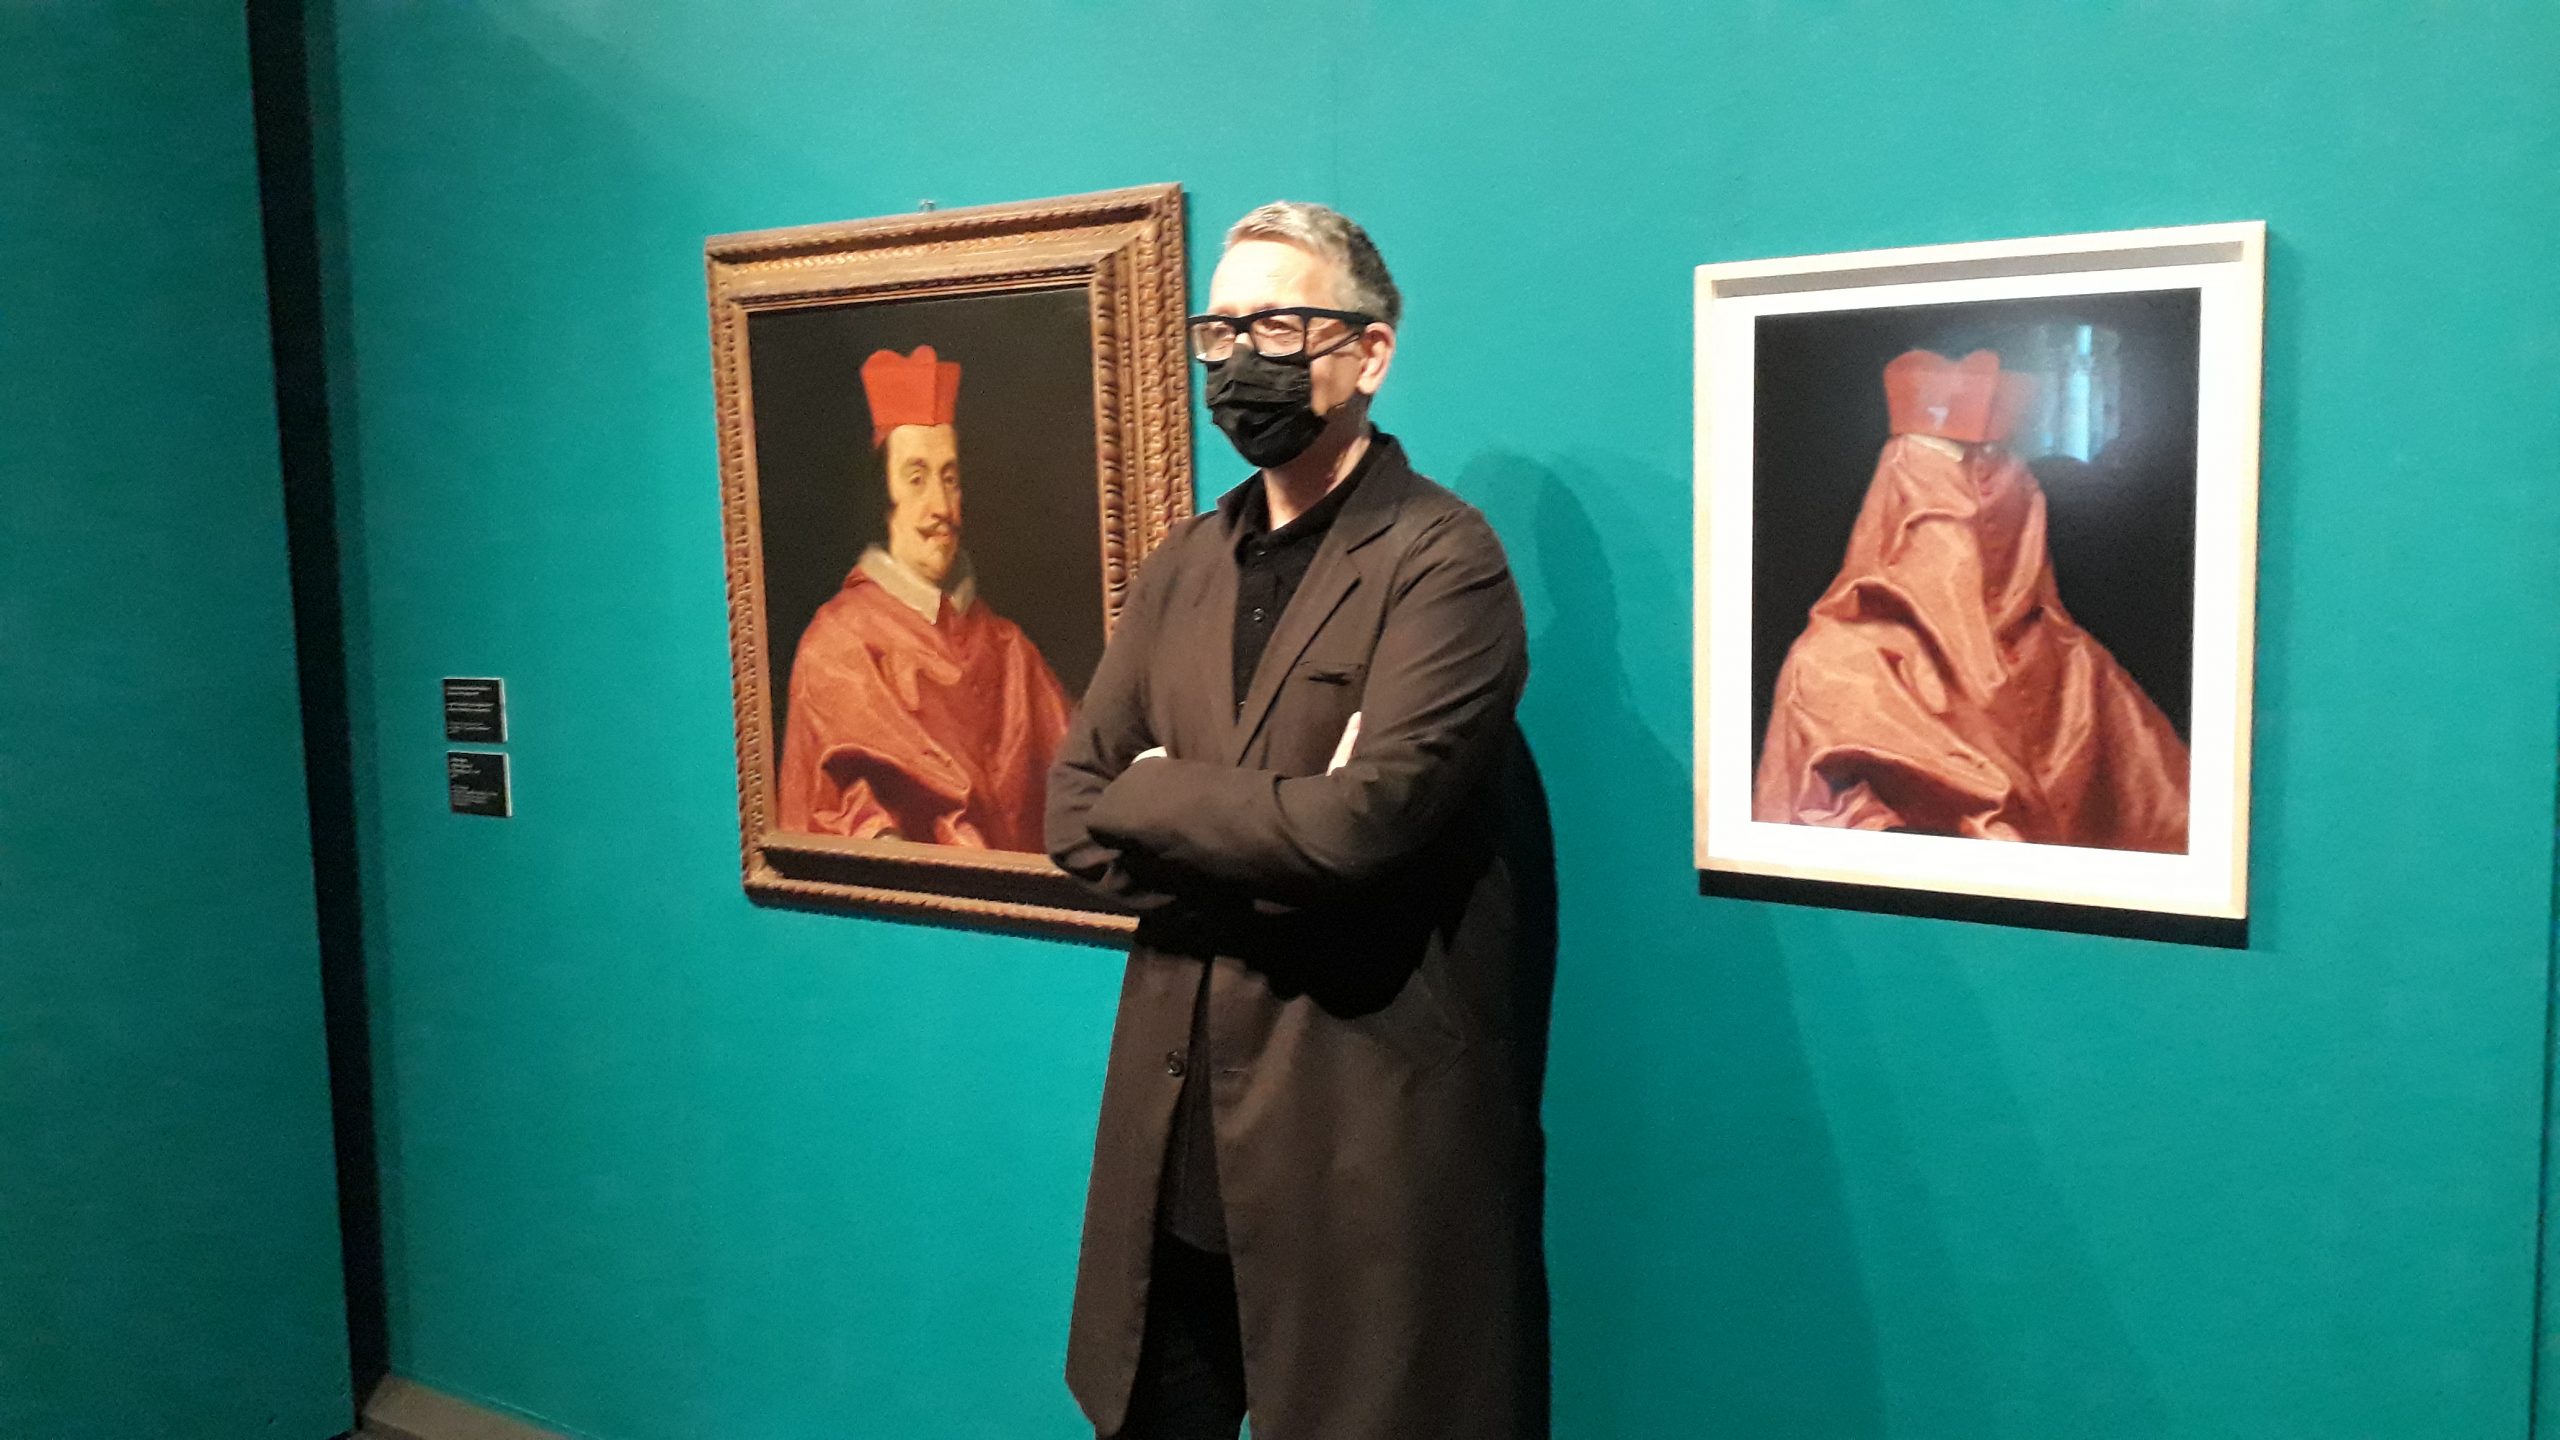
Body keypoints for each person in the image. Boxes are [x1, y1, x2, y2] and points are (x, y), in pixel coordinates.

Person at [1047, 201, 1554, 1440]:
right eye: (1220, 330)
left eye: (1278, 325)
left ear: (1369, 352)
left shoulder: (1442, 563)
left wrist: (1156, 791)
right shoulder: (1185, 563)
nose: (1240, 361)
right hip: (1175, 1142)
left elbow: (1356, 832)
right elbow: (1072, 812)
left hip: (1350, 1141)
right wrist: (1266, 828)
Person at [1754, 347, 2190, 851]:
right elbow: (1808, 840)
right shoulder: (1834, 666)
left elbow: (2168, 822)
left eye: (1995, 470)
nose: (1967, 508)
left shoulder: (2080, 668)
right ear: (1896, 499)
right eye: (1937, 476)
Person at [776, 344, 1072, 851]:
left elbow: (1080, 771)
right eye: (916, 479)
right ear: (882, 497)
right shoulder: (839, 644)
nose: (941, 507)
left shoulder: (1009, 648)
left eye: (949, 479)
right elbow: (853, 826)